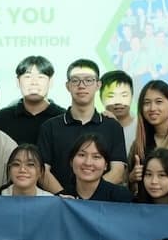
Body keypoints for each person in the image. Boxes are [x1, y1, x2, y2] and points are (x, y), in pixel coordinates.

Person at [37, 59, 128, 193]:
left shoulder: (113, 127)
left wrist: (89, 196)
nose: (82, 85)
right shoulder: (50, 127)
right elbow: (42, 171)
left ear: (98, 85)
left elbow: (118, 171)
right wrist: (66, 198)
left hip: (100, 206)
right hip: (60, 204)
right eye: (75, 80)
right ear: (68, 86)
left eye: (88, 80)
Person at [0, 56, 65, 146]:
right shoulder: (1, 119)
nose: (34, 82)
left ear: (50, 82)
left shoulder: (64, 118)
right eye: (28, 77)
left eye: (40, 77)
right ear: (18, 82)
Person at [64, 134, 132, 203]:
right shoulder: (62, 199)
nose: (88, 163)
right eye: (82, 155)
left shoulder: (121, 197)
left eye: (96, 157)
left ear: (106, 165)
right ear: (71, 161)